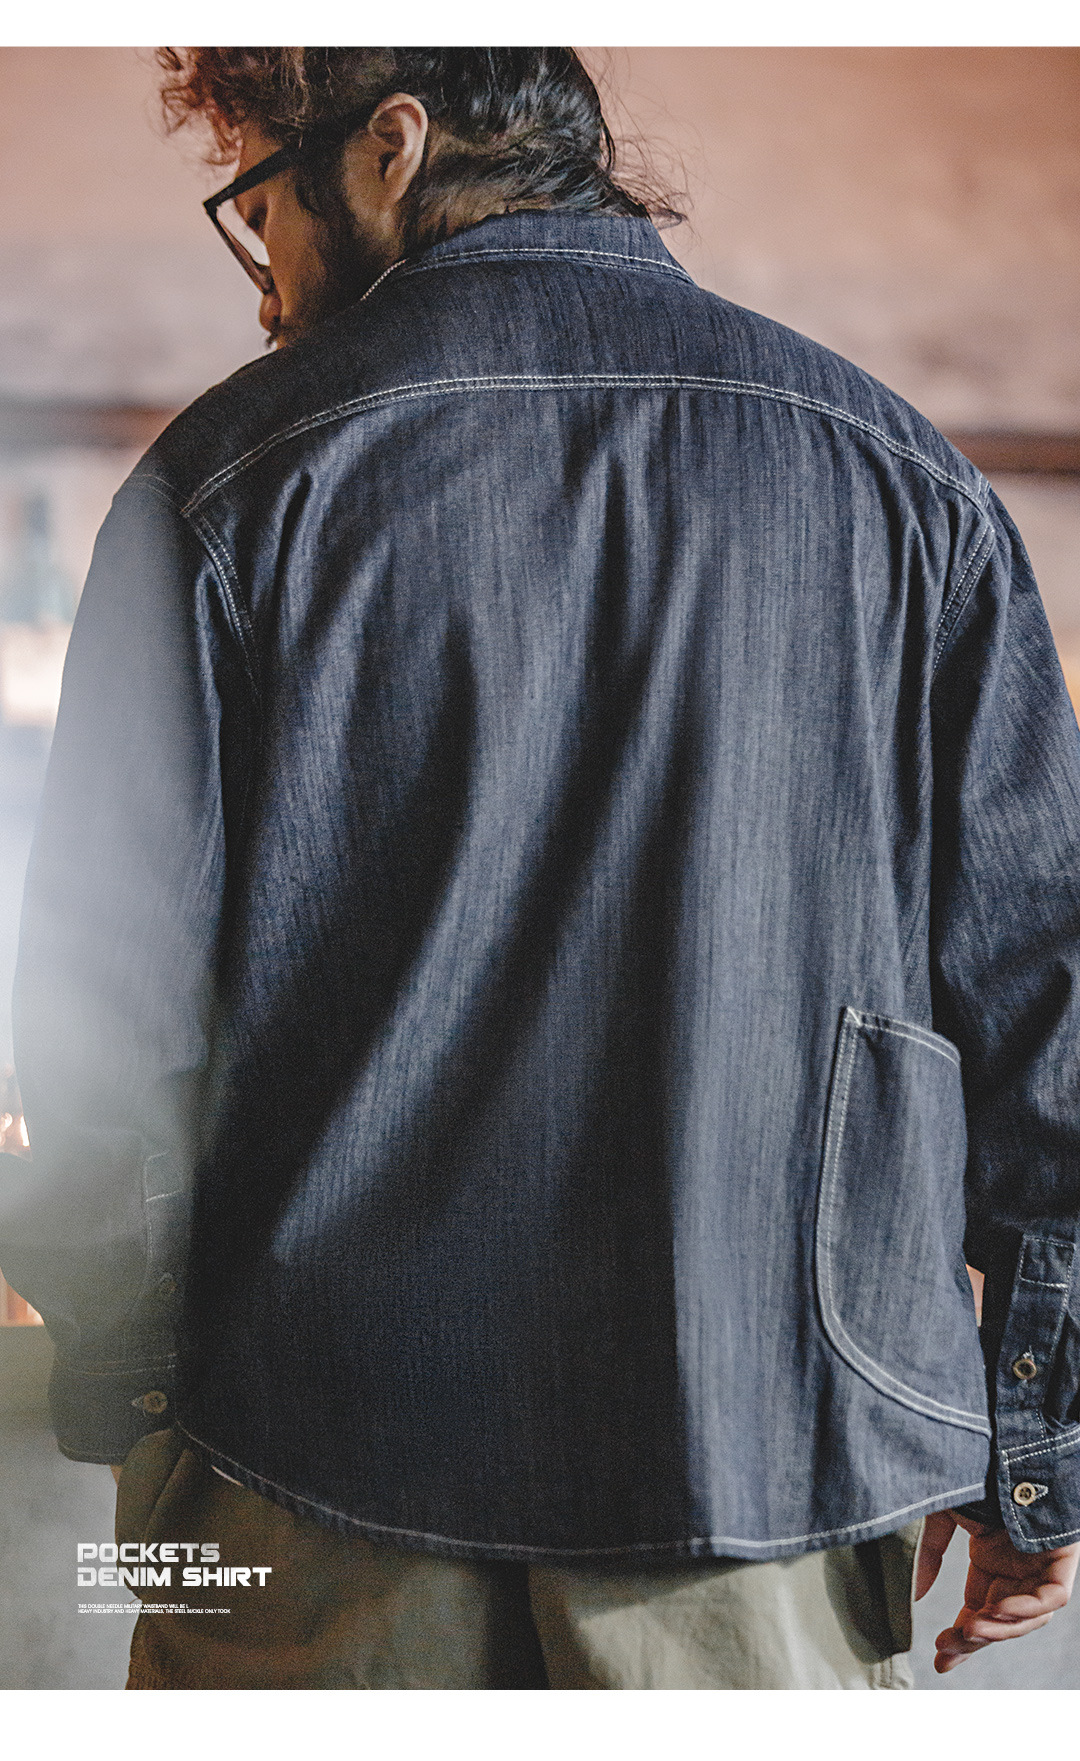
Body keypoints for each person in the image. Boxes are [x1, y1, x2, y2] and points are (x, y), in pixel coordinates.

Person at [1, 46, 1078, 1691]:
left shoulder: (222, 487)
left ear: (390, 151)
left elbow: (98, 1038)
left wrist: (136, 1404)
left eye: (258, 210)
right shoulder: (903, 482)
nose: (262, 285)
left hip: (306, 1473)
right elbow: (1046, 1020)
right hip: (766, 1476)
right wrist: (1036, 1450)